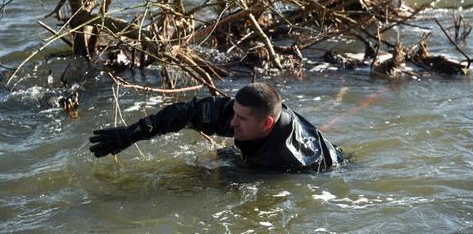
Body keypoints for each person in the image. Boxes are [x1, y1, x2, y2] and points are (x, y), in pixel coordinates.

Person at [89, 82, 344, 172]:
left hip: (313, 168)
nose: (231, 122)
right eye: (233, 113)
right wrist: (133, 133)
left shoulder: (286, 160)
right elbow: (186, 112)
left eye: (241, 119)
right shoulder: (240, 111)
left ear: (266, 123)